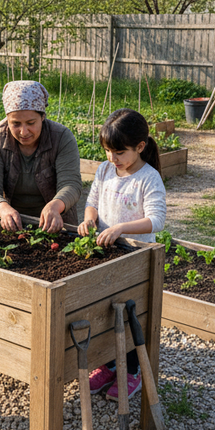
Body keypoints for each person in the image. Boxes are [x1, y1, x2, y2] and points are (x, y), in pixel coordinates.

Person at [78, 108, 167, 400]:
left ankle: (131, 373)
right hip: (107, 251)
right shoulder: (105, 171)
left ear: (140, 147)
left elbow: (156, 220)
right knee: (103, 311)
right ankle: (108, 365)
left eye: (119, 152)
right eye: (107, 151)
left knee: (130, 315)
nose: (112, 159)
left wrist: (120, 228)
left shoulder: (148, 178)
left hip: (136, 256)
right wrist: (90, 219)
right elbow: (92, 202)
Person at [0, 80, 83, 232]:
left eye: (30, 122)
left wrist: (54, 206)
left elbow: (71, 184)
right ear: (7, 120)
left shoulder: (61, 138)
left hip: (57, 225)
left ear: (42, 117)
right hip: (13, 225)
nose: (24, 131)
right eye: (15, 123)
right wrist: (3, 209)